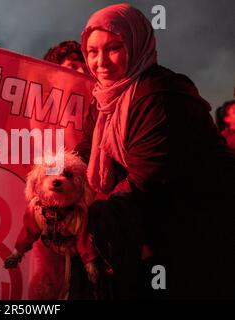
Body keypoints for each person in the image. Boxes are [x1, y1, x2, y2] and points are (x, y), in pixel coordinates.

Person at [75, 3, 235, 299]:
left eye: (113, 48)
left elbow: (146, 182)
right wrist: (60, 181)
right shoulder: (105, 98)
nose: (101, 63)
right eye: (93, 51)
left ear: (137, 43)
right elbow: (85, 152)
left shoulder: (159, 94)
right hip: (159, 231)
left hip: (201, 233)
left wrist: (84, 214)